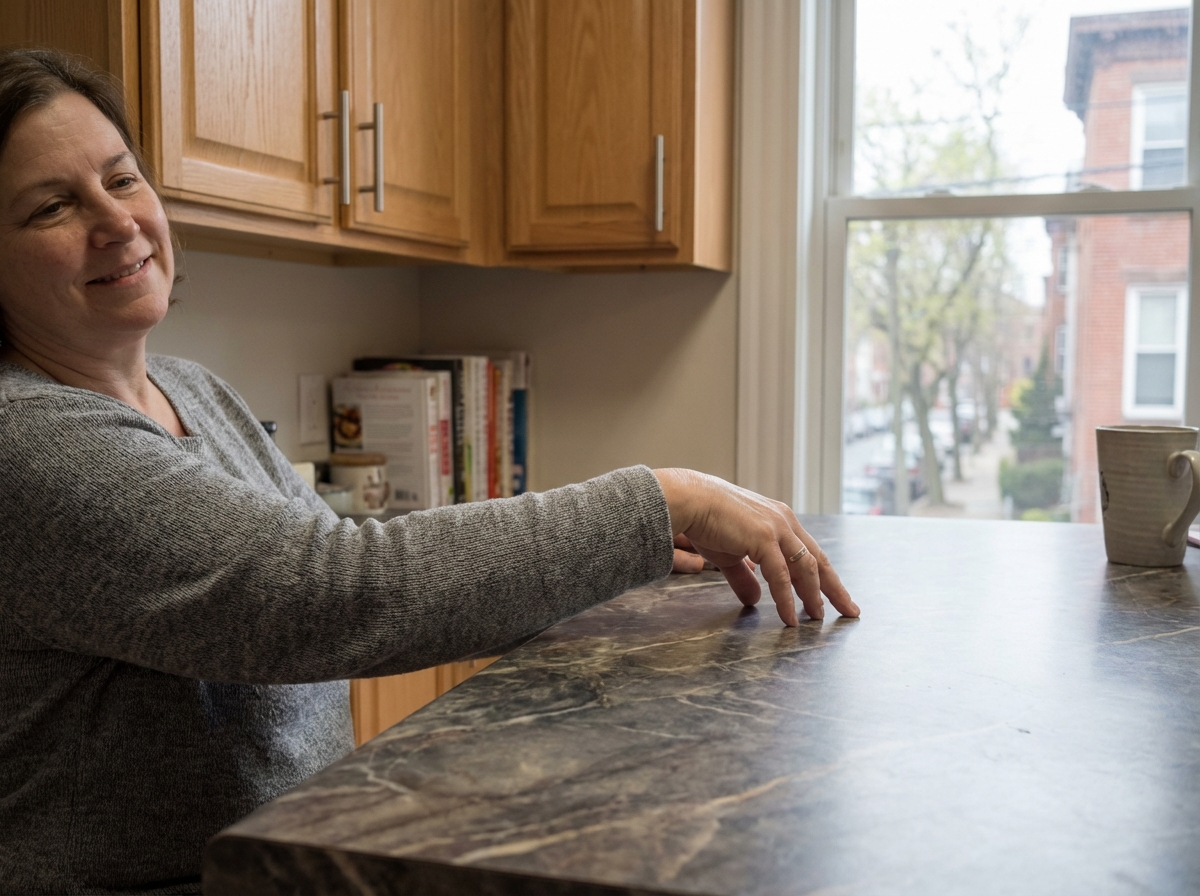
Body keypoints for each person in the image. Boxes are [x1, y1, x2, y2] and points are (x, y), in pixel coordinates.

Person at [0, 47, 858, 895]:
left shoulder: (191, 388)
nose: (115, 221)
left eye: (121, 179)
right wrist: (655, 501)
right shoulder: (24, 439)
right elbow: (326, 595)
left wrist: (612, 560)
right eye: (51, 208)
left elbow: (334, 560)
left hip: (298, 857)